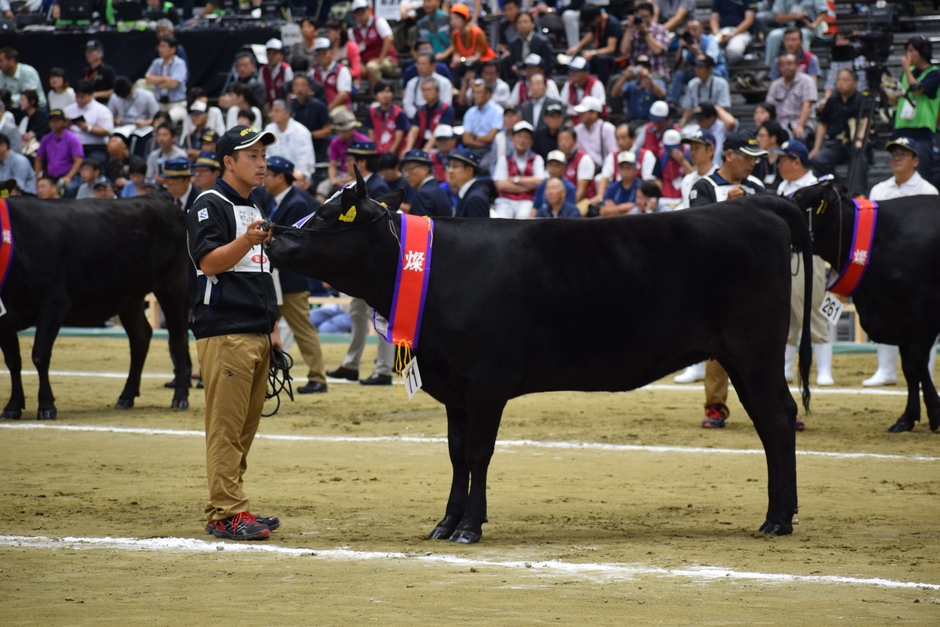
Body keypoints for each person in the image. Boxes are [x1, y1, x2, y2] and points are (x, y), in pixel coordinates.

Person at [186, 125, 281, 542]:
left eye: (263, 156)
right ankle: (227, 512)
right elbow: (208, 263)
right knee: (227, 427)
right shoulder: (209, 203)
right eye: (252, 155)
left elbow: (261, 271)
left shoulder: (253, 204)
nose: (262, 163)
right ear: (228, 162)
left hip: (254, 330)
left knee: (243, 428)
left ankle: (230, 504)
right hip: (225, 331)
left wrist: (273, 329)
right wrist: (246, 241)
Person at [689, 131, 768, 428]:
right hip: (718, 280)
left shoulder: (757, 187)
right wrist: (729, 207)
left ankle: (772, 405)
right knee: (717, 347)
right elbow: (697, 229)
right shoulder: (704, 186)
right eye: (747, 158)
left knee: (766, 345)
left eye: (756, 159)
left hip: (755, 277)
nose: (752, 165)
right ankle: (715, 406)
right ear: (730, 155)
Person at [862, 137, 940, 388]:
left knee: (924, 320)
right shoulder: (879, 190)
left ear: (916, 161)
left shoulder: (929, 192)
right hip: (887, 268)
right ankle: (885, 370)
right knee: (886, 314)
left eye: (904, 154)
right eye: (894, 153)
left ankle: (923, 373)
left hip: (920, 272)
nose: (897, 157)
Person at [263, 155, 328, 395]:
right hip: (281, 277)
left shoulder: (295, 203)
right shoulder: (283, 200)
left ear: (280, 177)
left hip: (290, 277)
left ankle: (318, 377)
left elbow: (291, 242)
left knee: (302, 328)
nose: (265, 179)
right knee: (270, 327)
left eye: (268, 175)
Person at [772, 139, 832, 387]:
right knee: (783, 311)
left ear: (796, 161)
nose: (778, 164)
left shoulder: (816, 187)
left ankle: (825, 370)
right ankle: (785, 368)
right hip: (783, 256)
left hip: (810, 256)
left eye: (783, 159)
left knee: (812, 308)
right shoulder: (781, 186)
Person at [887, 37, 940, 187]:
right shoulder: (908, 72)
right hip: (902, 129)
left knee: (922, 176)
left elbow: (916, 89)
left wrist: (905, 68)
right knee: (902, 174)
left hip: (921, 131)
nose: (908, 55)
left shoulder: (934, 74)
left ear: (922, 52)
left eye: (911, 51)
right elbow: (900, 98)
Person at [810, 68, 870, 197]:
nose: (841, 83)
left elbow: (866, 121)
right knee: (818, 159)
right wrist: (816, 148)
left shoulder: (861, 99)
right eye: (839, 80)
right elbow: (823, 123)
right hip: (836, 144)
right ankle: (838, 188)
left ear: (855, 82)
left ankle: (856, 193)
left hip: (855, 144)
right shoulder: (832, 100)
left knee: (859, 156)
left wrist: (859, 140)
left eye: (845, 80)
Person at [594, 121, 657, 203]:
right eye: (617, 139)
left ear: (633, 138)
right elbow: (604, 177)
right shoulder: (612, 156)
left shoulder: (646, 155)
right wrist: (600, 196)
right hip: (618, 193)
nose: (620, 142)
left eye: (623, 138)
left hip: (638, 195)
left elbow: (648, 181)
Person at [668, 19, 726, 107]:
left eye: (694, 29)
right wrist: (680, 49)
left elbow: (709, 65)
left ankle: (713, 105)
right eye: (688, 30)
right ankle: (672, 103)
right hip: (697, 71)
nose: (691, 33)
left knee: (709, 73)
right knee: (679, 74)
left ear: (702, 31)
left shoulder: (711, 43)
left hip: (714, 71)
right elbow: (679, 67)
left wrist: (697, 51)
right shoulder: (687, 43)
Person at [493, 121, 544, 219]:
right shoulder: (504, 159)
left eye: (526, 137)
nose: (522, 140)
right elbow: (500, 184)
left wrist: (515, 180)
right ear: (513, 139)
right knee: (500, 220)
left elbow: (539, 182)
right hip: (505, 200)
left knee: (523, 218)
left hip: (527, 201)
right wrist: (527, 187)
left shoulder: (537, 159)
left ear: (531, 142)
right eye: (519, 136)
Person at [317, 109, 369, 201]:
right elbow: (332, 165)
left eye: (345, 131)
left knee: (347, 189)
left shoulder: (364, 141)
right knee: (322, 188)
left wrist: (350, 178)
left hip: (359, 175)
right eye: (339, 131)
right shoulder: (335, 142)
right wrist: (333, 180)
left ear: (352, 128)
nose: (342, 134)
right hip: (341, 174)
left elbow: (366, 167)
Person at [566, 5, 623, 86]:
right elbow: (591, 34)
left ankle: (603, 86)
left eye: (591, 22)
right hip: (599, 53)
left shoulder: (612, 24)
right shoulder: (597, 24)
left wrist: (592, 53)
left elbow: (611, 48)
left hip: (614, 57)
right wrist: (576, 47)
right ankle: (578, 84)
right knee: (579, 58)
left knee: (601, 60)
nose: (591, 24)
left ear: (597, 17)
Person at [264, 99, 316, 186]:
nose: (272, 114)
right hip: (272, 175)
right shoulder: (269, 129)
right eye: (272, 111)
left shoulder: (301, 132)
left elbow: (305, 163)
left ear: (287, 114)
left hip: (295, 174)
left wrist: (297, 177)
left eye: (277, 111)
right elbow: (266, 155)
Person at [765, 53, 816, 141]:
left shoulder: (807, 81)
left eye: (789, 64)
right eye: (782, 65)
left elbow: (807, 106)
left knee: (799, 138)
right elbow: (769, 107)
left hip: (802, 124)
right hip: (780, 125)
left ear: (797, 65)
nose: (786, 67)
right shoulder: (775, 85)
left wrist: (800, 125)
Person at [763, 0, 825, 69]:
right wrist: (795, 16)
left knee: (802, 34)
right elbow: (778, 17)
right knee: (774, 35)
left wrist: (814, 25)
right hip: (790, 28)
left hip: (810, 28)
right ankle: (770, 68)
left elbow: (824, 12)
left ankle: (803, 66)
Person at [349, 0, 398, 86]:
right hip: (365, 61)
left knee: (372, 67)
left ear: (369, 11)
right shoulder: (352, 31)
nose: (361, 16)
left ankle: (375, 95)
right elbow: (354, 51)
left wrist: (380, 58)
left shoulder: (379, 21)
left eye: (363, 12)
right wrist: (359, 65)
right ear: (354, 16)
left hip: (386, 59)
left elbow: (389, 38)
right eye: (358, 14)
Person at [64, 80, 114, 163]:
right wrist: (66, 126)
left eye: (83, 97)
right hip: (72, 146)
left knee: (92, 164)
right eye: (77, 97)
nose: (79, 100)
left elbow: (108, 131)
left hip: (95, 146)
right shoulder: (68, 110)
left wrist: (88, 128)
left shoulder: (102, 110)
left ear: (91, 95)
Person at [35, 110, 83, 194]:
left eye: (57, 121)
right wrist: (38, 176)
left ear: (64, 122)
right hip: (51, 176)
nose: (54, 123)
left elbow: (78, 160)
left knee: (69, 188)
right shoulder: (46, 139)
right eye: (52, 121)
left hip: (69, 175)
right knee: (41, 189)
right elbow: (39, 159)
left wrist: (68, 177)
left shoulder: (72, 138)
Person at [621, 2, 672, 81]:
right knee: (616, 80)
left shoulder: (660, 29)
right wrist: (628, 29)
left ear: (652, 16)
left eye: (645, 17)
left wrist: (646, 32)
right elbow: (624, 51)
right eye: (641, 17)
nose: (643, 20)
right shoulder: (632, 30)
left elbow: (657, 50)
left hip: (656, 73)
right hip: (636, 74)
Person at [462, 81, 504, 173]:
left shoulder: (497, 111)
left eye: (479, 93)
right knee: (462, 164)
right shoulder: (470, 112)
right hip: (473, 148)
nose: (475, 96)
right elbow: (466, 139)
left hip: (491, 149)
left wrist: (474, 136)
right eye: (474, 92)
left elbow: (490, 138)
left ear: (488, 94)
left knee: (483, 166)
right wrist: (481, 141)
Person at [404, 77, 454, 153]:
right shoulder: (420, 110)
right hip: (421, 144)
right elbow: (414, 130)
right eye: (424, 90)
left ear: (438, 92)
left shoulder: (446, 109)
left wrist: (426, 150)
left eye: (429, 90)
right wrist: (408, 149)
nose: (426, 93)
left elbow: (438, 131)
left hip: (439, 146)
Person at [146, 36, 188, 124]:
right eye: (159, 46)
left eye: (163, 47)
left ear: (173, 49)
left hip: (176, 104)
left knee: (166, 120)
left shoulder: (179, 63)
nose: (160, 49)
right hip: (159, 103)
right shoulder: (156, 62)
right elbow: (148, 79)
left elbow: (173, 84)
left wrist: (156, 81)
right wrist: (165, 79)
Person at [679, 56, 731, 127]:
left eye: (700, 67)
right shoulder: (692, 84)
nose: (697, 69)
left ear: (710, 69)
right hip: (696, 122)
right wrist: (682, 123)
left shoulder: (721, 84)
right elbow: (688, 109)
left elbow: (721, 109)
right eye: (696, 66)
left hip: (714, 122)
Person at [611, 56, 666, 122]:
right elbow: (615, 94)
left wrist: (648, 77)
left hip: (651, 121)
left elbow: (662, 95)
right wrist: (625, 76)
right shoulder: (631, 85)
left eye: (644, 67)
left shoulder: (657, 82)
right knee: (621, 130)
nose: (641, 70)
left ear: (650, 70)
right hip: (632, 120)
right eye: (639, 67)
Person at [401, 149, 453, 217]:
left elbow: (421, 226)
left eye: (410, 169)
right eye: (405, 170)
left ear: (425, 169)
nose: (406, 175)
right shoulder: (437, 189)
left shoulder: (424, 195)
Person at [403, 52, 454, 120]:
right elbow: (407, 105)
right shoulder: (411, 83)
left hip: (438, 119)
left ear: (433, 66)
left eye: (423, 64)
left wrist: (433, 117)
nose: (420, 67)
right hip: (417, 119)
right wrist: (420, 118)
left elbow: (447, 104)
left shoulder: (444, 82)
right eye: (418, 64)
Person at [366, 81, 410, 155]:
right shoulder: (371, 112)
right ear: (375, 95)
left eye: (388, 91)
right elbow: (371, 136)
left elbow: (398, 139)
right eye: (381, 92)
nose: (385, 95)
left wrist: (388, 156)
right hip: (377, 152)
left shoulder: (399, 113)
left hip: (395, 154)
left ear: (392, 94)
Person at [311, 37, 354, 115]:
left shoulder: (341, 70)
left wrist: (327, 109)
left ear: (332, 53)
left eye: (324, 53)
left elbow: (343, 94)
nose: (321, 56)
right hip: (319, 108)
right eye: (318, 54)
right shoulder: (314, 72)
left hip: (339, 107)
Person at [559, 56, 606, 124]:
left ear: (586, 73)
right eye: (571, 70)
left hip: (592, 122)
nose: (572, 73)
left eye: (576, 71)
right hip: (572, 120)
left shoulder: (595, 84)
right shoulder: (568, 84)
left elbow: (599, 107)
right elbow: (562, 104)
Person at [573, 96, 616, 170]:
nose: (580, 115)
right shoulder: (577, 130)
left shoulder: (607, 128)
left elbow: (613, 154)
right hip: (584, 169)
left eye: (583, 112)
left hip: (604, 169)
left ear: (594, 114)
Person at [447, 147, 490, 218]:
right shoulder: (467, 192)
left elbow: (478, 228)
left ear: (469, 170)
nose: (449, 171)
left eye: (454, 166)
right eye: (449, 166)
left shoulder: (475, 199)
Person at [558, 128, 595, 209]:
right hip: (559, 202)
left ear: (575, 141)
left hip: (583, 201)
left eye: (567, 140)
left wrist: (565, 209)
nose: (563, 143)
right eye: (560, 140)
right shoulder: (556, 159)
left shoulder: (584, 159)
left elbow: (581, 192)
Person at [710, 0, 756, 66]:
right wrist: (717, 34)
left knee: (734, 51)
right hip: (722, 31)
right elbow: (714, 19)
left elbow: (749, 20)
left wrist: (732, 34)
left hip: (741, 32)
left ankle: (725, 69)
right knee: (709, 45)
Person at [509, 11, 555, 76]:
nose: (522, 25)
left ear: (532, 24)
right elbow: (512, 62)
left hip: (540, 76)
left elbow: (549, 63)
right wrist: (514, 68)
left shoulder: (542, 41)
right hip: (520, 77)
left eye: (525, 22)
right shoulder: (513, 43)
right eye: (519, 22)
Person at [599, 152, 642, 216]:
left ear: (635, 170)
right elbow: (603, 211)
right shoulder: (612, 187)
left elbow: (639, 210)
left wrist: (614, 209)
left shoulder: (641, 187)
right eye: (622, 168)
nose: (625, 171)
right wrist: (624, 208)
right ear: (618, 170)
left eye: (628, 168)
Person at [753, 119, 787, 188]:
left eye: (761, 136)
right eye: (758, 136)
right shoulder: (758, 158)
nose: (758, 140)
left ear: (773, 139)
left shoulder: (785, 158)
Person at [260, 39, 294, 108]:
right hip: (268, 106)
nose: (271, 57)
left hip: (283, 106)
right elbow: (261, 89)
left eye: (274, 54)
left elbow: (289, 90)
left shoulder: (286, 69)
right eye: (269, 53)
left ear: (281, 56)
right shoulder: (263, 70)